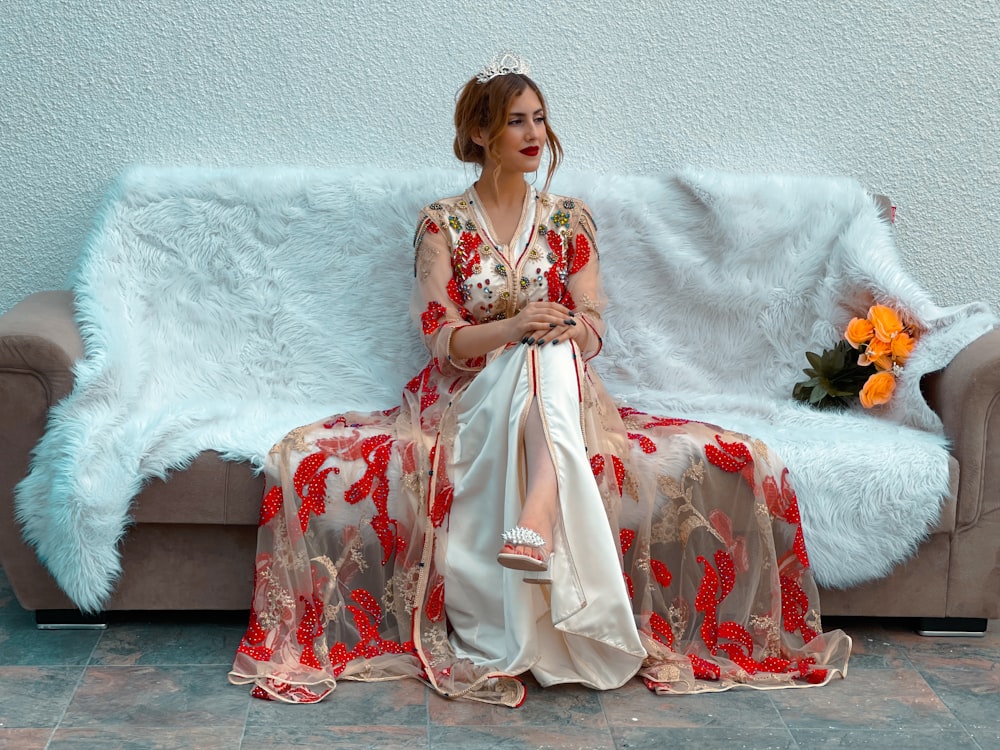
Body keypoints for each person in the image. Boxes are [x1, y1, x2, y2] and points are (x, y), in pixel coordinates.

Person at [228, 53, 851, 706]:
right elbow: (442, 339)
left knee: (548, 351)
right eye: (516, 122)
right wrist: (514, 326)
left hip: (561, 386)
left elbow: (595, 327)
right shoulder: (443, 224)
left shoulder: (567, 222)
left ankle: (537, 515)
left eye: (540, 120)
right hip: (467, 395)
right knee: (530, 346)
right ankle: (545, 523)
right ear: (479, 136)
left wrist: (564, 331)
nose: (533, 135)